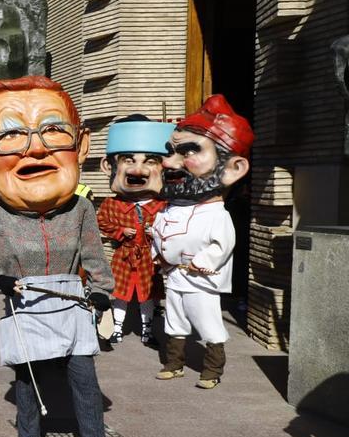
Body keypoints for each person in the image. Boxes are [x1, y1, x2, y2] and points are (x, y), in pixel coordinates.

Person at [0, 75, 118, 437]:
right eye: (11, 134)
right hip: (25, 307)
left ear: (80, 145)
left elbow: (94, 258)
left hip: (71, 305)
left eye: (53, 130)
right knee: (28, 382)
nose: (35, 147)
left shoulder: (81, 209)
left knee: (85, 382)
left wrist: (102, 293)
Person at [151, 95, 253, 389]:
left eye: (188, 151)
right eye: (170, 151)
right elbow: (158, 234)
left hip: (199, 280)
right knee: (174, 321)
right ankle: (174, 364)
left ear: (233, 168)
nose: (169, 162)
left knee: (207, 323)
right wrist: (158, 255)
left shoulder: (217, 213)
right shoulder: (170, 207)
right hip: (173, 277)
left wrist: (199, 263)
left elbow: (222, 246)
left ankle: (212, 370)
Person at [96, 115, 175, 345]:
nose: (138, 170)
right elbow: (103, 223)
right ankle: (116, 330)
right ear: (108, 166)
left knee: (147, 298)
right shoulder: (112, 204)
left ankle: (147, 332)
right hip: (123, 257)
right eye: (128, 160)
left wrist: (157, 233)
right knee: (119, 296)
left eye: (150, 161)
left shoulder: (163, 206)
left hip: (149, 261)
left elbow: (174, 230)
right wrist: (121, 231)